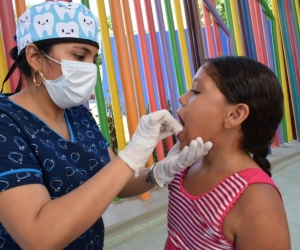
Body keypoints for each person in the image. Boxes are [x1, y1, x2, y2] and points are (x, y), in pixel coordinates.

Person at [0, 2, 212, 249]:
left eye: (93, 58)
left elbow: (117, 182)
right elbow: (38, 237)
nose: (89, 67)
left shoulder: (77, 114)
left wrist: (159, 172)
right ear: (35, 57)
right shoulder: (7, 123)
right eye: (79, 56)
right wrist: (131, 155)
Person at [163, 56, 291, 250]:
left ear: (234, 115)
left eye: (196, 91)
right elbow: (125, 187)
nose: (182, 98)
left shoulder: (257, 201)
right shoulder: (185, 162)